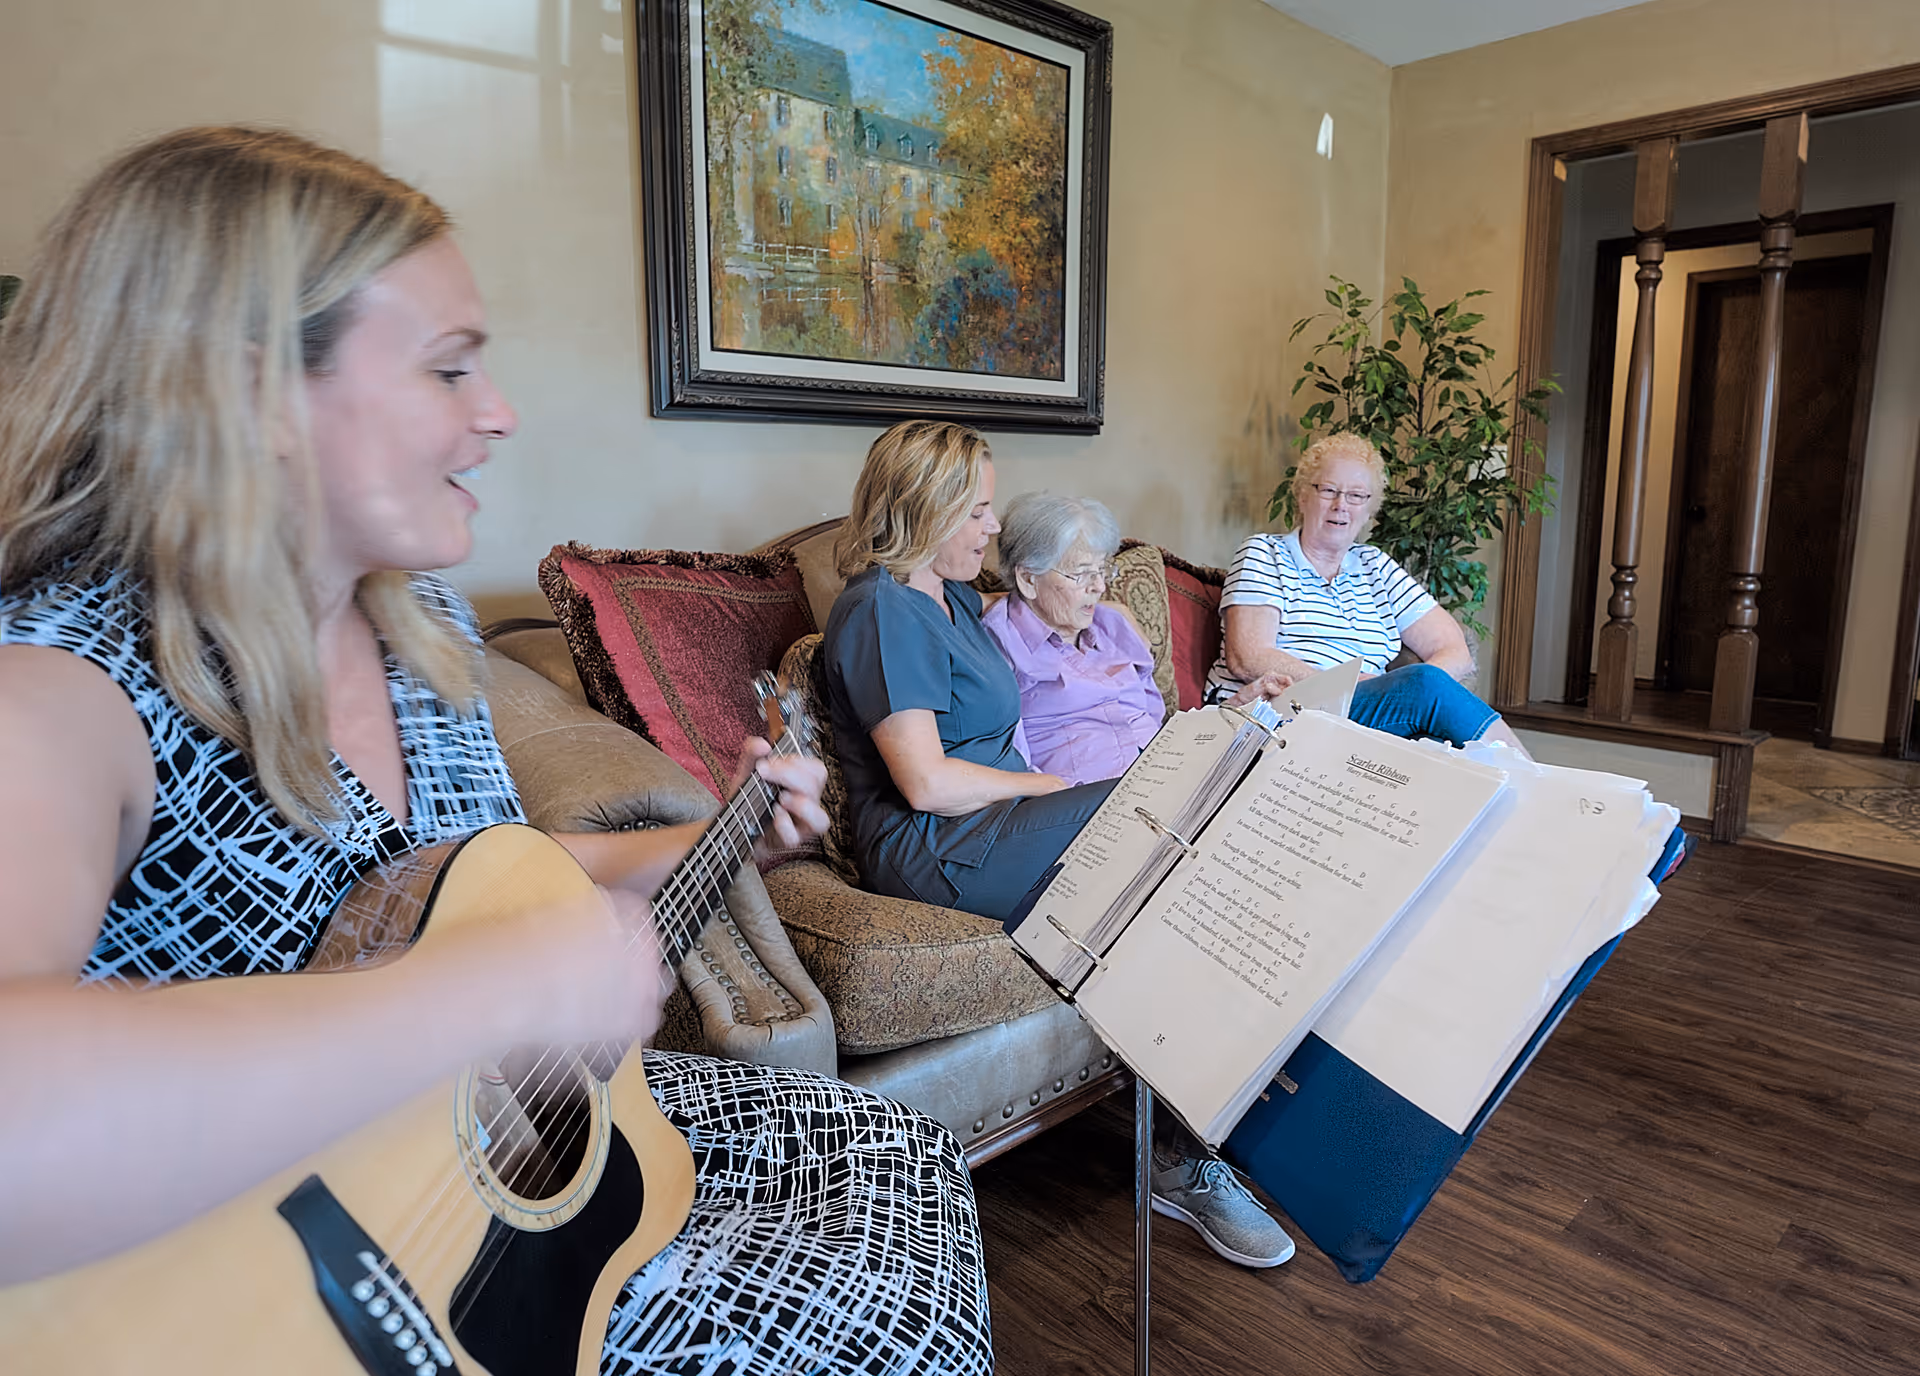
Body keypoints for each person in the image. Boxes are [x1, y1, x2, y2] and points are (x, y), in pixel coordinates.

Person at [0, 126, 991, 1374]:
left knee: (896, 1150)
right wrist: (494, 992)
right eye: (448, 369)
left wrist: (716, 831)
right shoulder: (69, 679)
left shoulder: (422, 630)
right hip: (288, 1297)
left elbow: (465, 877)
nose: (500, 412)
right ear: (252, 396)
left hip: (484, 1161)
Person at [822, 419, 1295, 1270]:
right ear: (924, 511)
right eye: (977, 512)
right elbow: (926, 783)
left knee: (1196, 833)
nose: (992, 531)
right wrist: (1058, 792)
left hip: (996, 821)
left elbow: (1044, 651)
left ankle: (1216, 1124)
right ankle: (1190, 1159)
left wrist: (1089, 602)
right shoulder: (882, 609)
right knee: (1166, 819)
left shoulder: (956, 597)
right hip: (935, 844)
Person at [1206, 431, 1533, 758]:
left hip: (1359, 716)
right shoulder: (1264, 554)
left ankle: (1530, 787)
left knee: (1436, 724)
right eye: (1328, 490)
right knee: (1424, 686)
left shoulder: (1375, 566)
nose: (1340, 505)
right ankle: (1537, 784)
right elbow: (1248, 657)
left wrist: (1397, 693)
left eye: (1356, 496)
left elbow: (1455, 651)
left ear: (1370, 509)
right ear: (1302, 496)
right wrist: (1345, 686)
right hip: (1283, 711)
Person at [980, 491, 1164, 787]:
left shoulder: (1115, 625)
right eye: (1082, 574)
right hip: (1084, 804)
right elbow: (1012, 762)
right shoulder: (999, 644)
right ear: (1028, 579)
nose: (1100, 586)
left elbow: (1155, 713)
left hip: (1163, 779)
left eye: (1102, 569)